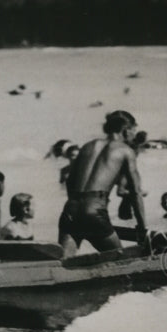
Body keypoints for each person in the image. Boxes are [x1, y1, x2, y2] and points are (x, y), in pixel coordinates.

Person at [58, 110, 147, 258]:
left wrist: (79, 207)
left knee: (63, 265)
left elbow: (70, 181)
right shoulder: (126, 151)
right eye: (134, 130)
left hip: (70, 209)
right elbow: (136, 193)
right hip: (94, 211)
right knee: (121, 263)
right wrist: (142, 228)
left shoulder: (87, 146)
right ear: (126, 130)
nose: (134, 135)